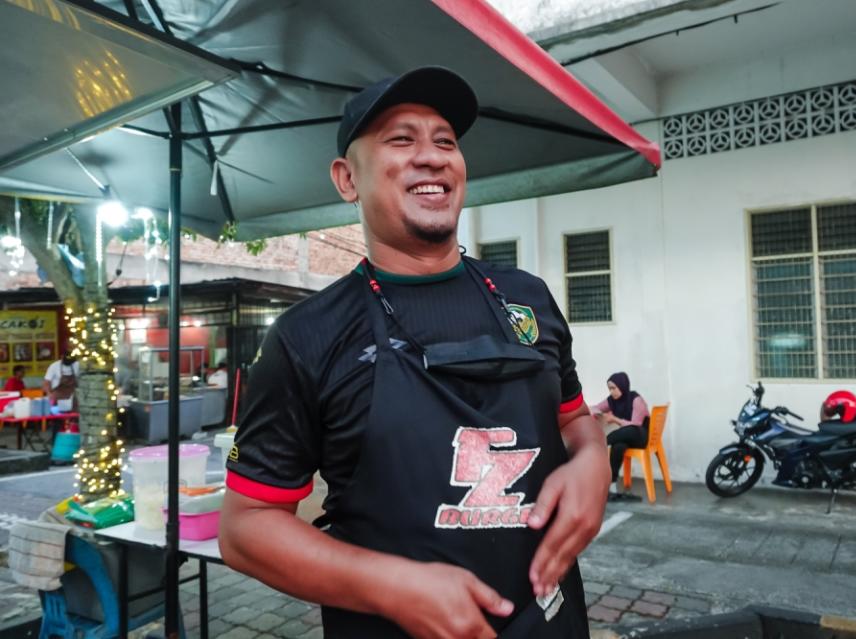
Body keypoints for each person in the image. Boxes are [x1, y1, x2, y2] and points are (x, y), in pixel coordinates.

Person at [218, 67, 608, 639]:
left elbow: (575, 422)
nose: (431, 157)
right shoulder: (306, 336)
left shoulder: (528, 298)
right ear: (347, 178)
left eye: (445, 141)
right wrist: (390, 584)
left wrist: (593, 463)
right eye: (401, 140)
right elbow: (245, 529)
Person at [590, 372, 650, 501]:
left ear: (622, 386)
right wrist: (596, 414)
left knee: (629, 430)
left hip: (640, 436)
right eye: (609, 389)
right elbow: (595, 407)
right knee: (618, 446)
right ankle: (611, 485)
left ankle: (600, 444)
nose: (612, 392)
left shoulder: (635, 399)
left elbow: (636, 424)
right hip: (625, 437)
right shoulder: (612, 400)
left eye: (614, 388)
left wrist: (615, 419)